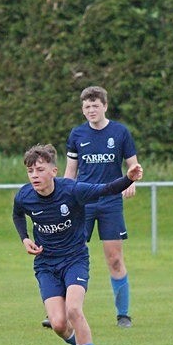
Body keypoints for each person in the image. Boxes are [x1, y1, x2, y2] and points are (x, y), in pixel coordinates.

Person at [13, 144, 142, 345]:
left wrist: (128, 178)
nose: (34, 176)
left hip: (74, 260)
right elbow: (18, 214)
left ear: (54, 170)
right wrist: (24, 238)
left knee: (73, 309)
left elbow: (105, 189)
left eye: (40, 170)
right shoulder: (25, 195)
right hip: (46, 265)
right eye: (30, 171)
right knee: (59, 324)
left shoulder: (72, 190)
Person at [64, 86, 140, 329]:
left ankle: (123, 315)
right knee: (69, 256)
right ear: (82, 109)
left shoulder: (120, 132)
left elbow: (133, 165)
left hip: (110, 202)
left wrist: (131, 180)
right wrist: (63, 197)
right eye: (87, 106)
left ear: (105, 106)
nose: (91, 110)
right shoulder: (77, 135)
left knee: (115, 259)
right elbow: (70, 173)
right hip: (82, 203)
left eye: (95, 105)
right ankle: (63, 312)